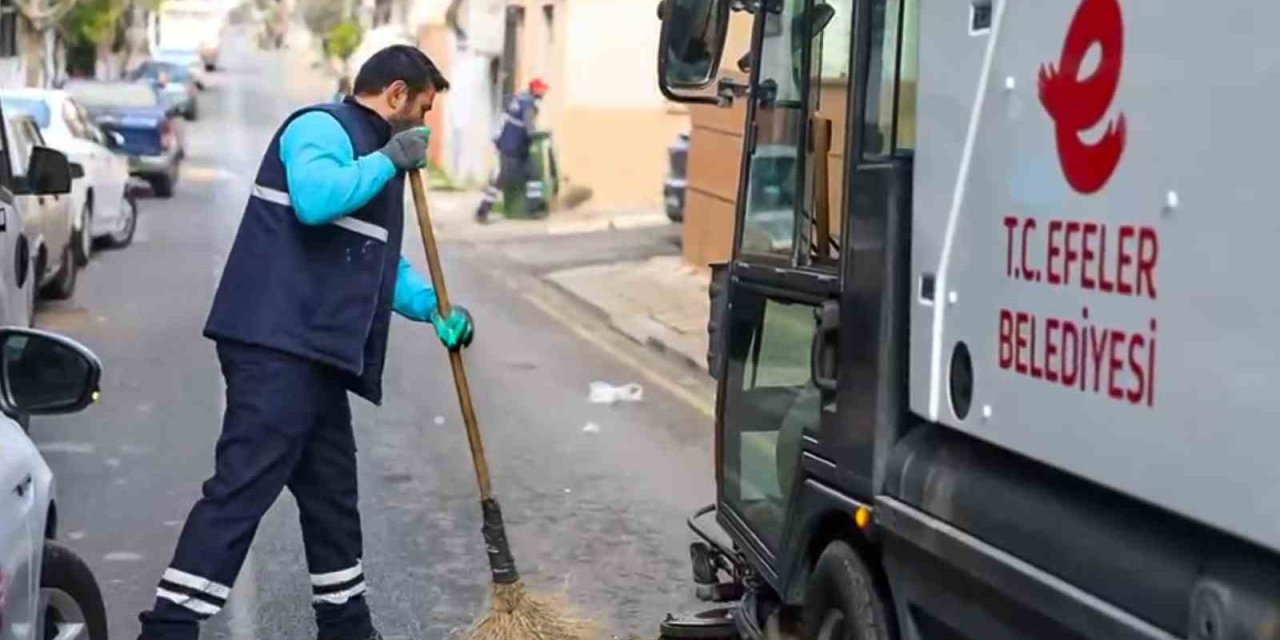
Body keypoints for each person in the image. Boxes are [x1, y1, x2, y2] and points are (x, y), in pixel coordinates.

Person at [135, 45, 473, 640]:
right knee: (243, 487)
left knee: (331, 495)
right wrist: (392, 161)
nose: (421, 126)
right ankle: (168, 628)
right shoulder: (320, 127)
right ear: (395, 95)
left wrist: (434, 310)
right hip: (274, 345)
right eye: (420, 110)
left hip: (315, 355)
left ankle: (347, 627)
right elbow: (318, 201)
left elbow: (376, 260)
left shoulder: (377, 159)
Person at [474, 78, 549, 223]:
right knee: (503, 179)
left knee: (533, 174)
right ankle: (483, 211)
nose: (544, 93)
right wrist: (540, 134)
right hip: (512, 147)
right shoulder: (528, 104)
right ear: (536, 90)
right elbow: (529, 128)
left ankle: (534, 207)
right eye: (542, 90)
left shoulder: (519, 99)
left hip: (514, 146)